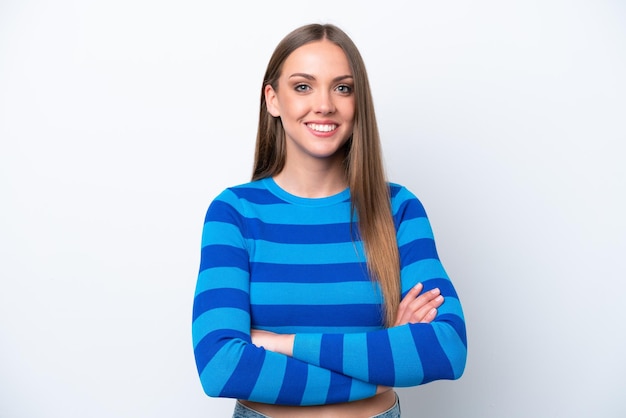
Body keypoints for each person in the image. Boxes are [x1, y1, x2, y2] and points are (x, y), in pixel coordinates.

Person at [192, 23, 467, 417]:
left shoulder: (399, 209)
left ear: (359, 101)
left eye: (342, 87)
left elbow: (445, 348)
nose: (324, 105)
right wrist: (385, 362)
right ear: (272, 99)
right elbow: (222, 367)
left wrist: (281, 343)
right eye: (303, 86)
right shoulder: (234, 212)